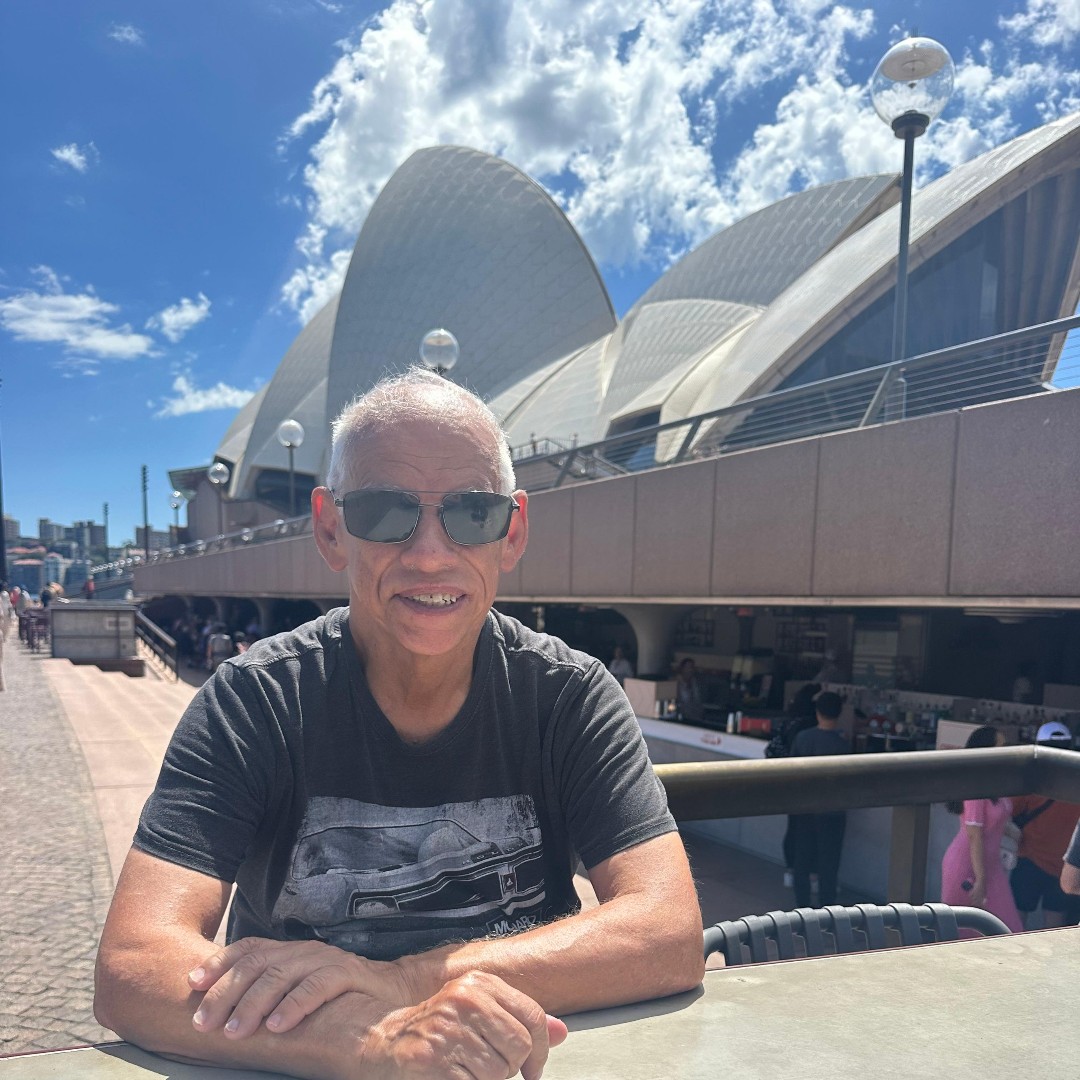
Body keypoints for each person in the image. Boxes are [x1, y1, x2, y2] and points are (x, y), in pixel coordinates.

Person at [95, 368, 704, 1080]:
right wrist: (371, 1041)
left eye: (472, 513)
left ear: (512, 533)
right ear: (330, 529)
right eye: (384, 513)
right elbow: (136, 964)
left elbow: (667, 930)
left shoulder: (569, 695)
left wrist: (407, 981)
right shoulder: (254, 702)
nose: (429, 553)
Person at [940, 726, 1023, 932]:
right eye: (1001, 746)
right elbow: (974, 835)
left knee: (1009, 928)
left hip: (990, 866)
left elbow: (992, 820)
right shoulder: (975, 785)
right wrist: (981, 880)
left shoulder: (993, 781)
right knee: (963, 932)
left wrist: (1009, 831)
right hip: (968, 868)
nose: (1005, 751)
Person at [1009, 721, 1080, 928]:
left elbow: (1010, 810)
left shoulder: (1033, 781)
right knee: (1055, 926)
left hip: (1030, 860)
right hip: (1066, 866)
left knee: (1016, 924)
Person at [788, 691, 849, 907]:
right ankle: (827, 909)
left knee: (801, 861)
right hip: (833, 811)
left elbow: (791, 772)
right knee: (829, 864)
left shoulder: (803, 738)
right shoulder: (843, 746)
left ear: (817, 712)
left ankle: (801, 907)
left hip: (804, 808)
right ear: (839, 714)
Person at [675, 657, 703, 722]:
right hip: (681, 716)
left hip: (695, 716)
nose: (689, 670)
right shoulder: (675, 682)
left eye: (691, 667)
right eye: (687, 667)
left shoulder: (694, 682)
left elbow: (697, 700)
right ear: (682, 668)